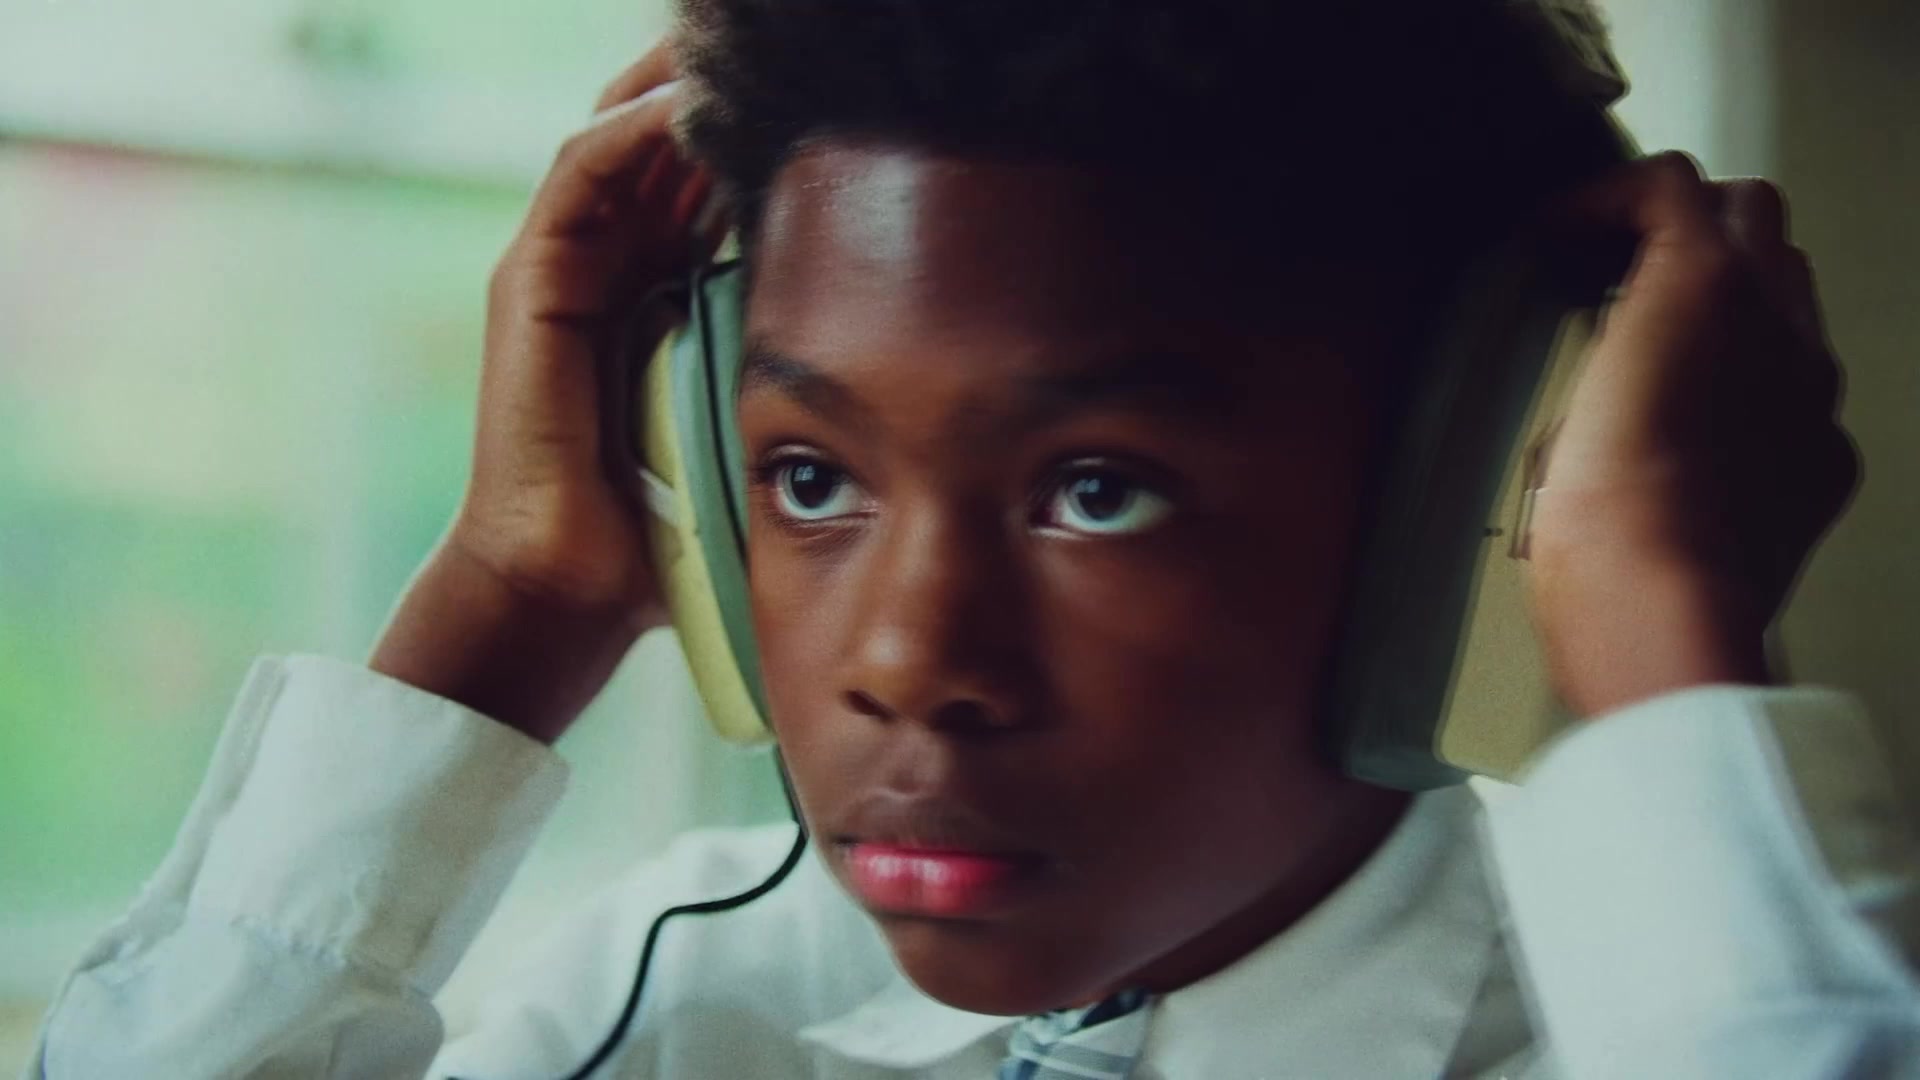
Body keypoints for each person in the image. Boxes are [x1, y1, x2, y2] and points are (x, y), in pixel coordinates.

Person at [26, 1, 1920, 1077]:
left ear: (1480, 496)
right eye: (808, 479)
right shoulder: (665, 1005)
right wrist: (506, 605)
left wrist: (1656, 638)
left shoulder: (1678, 1024)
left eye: (1099, 489)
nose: (906, 663)